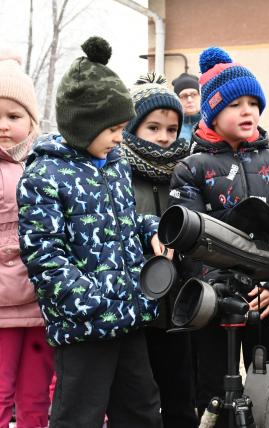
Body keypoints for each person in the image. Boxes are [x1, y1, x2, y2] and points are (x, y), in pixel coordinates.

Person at [17, 36, 164, 428]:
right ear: (84, 126)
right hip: (84, 325)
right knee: (78, 415)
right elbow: (44, 255)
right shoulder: (44, 175)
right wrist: (92, 299)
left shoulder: (115, 165)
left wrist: (151, 230)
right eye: (113, 129)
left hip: (129, 315)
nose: (120, 138)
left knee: (142, 411)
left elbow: (125, 221)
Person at [168, 46, 269, 426]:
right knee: (212, 389)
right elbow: (188, 241)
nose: (248, 111)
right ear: (212, 111)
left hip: (267, 300)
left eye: (253, 103)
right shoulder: (190, 168)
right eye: (235, 104)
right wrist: (216, 291)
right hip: (215, 303)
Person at [121, 72, 197, 427]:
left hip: (179, 307)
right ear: (132, 127)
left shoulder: (184, 172)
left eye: (171, 129)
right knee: (140, 402)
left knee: (182, 396)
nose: (164, 138)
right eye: (153, 128)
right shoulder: (119, 172)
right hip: (137, 308)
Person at [0, 49, 54, 428]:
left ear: (32, 122)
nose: (3, 125)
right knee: (0, 391)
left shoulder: (44, 166)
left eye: (14, 116)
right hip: (1, 306)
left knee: (36, 395)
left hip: (38, 304)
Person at [172, 72, 201, 142]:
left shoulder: (211, 123)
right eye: (184, 96)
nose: (189, 100)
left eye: (194, 94)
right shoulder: (172, 128)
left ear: (200, 96)